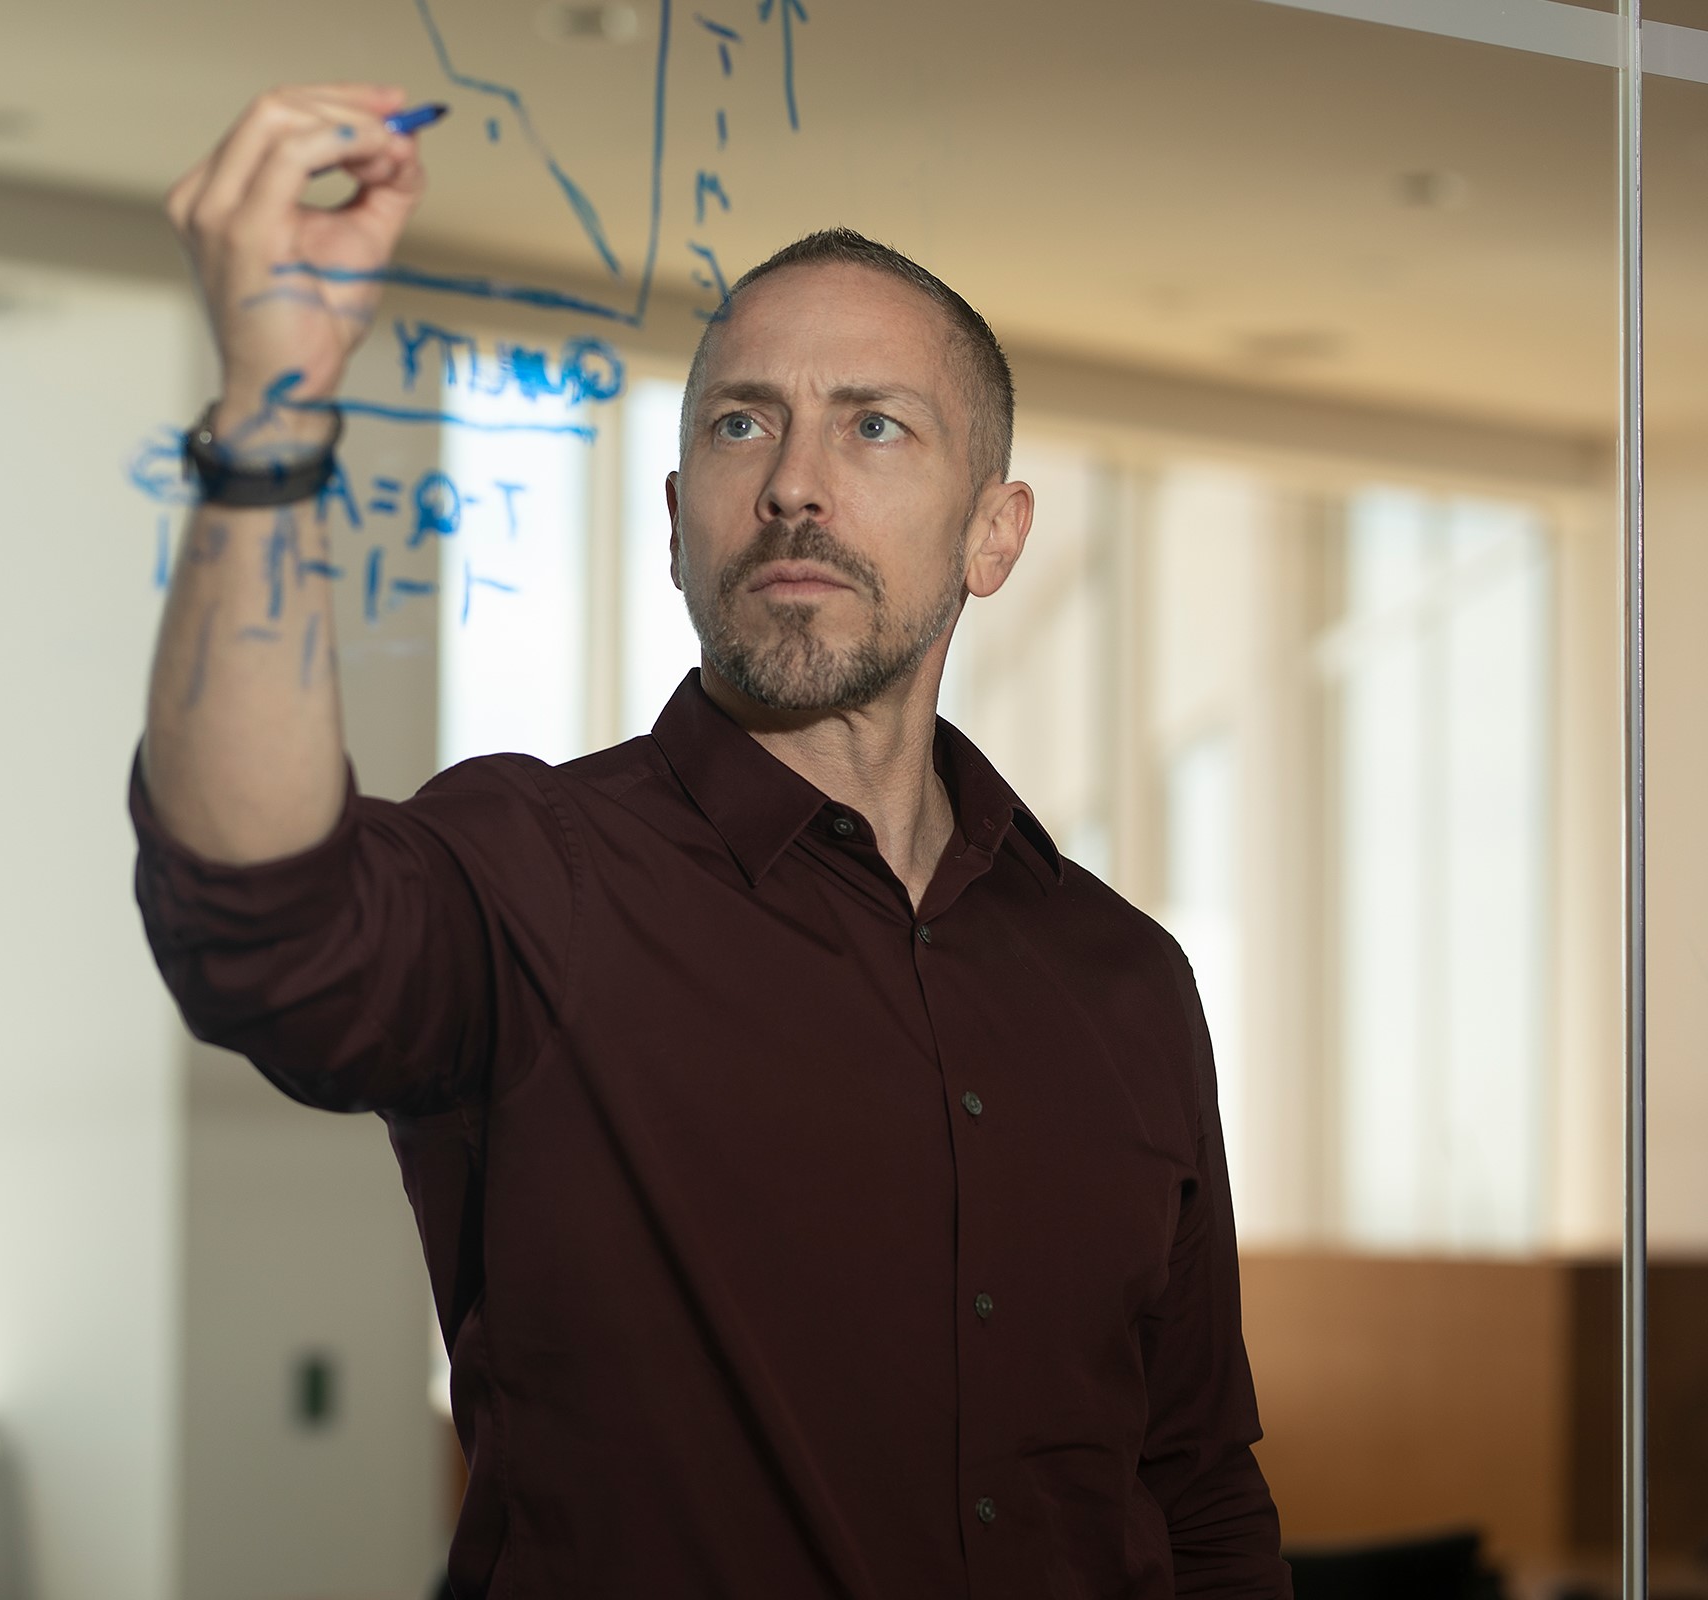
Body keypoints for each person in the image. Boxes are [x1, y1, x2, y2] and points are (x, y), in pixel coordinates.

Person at [135, 83, 1289, 1598]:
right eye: (744, 423)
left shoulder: (1124, 977)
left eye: (874, 426)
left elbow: (1196, 1487)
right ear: (679, 521)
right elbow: (261, 920)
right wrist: (267, 421)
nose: (795, 482)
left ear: (993, 534)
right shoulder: (535, 873)